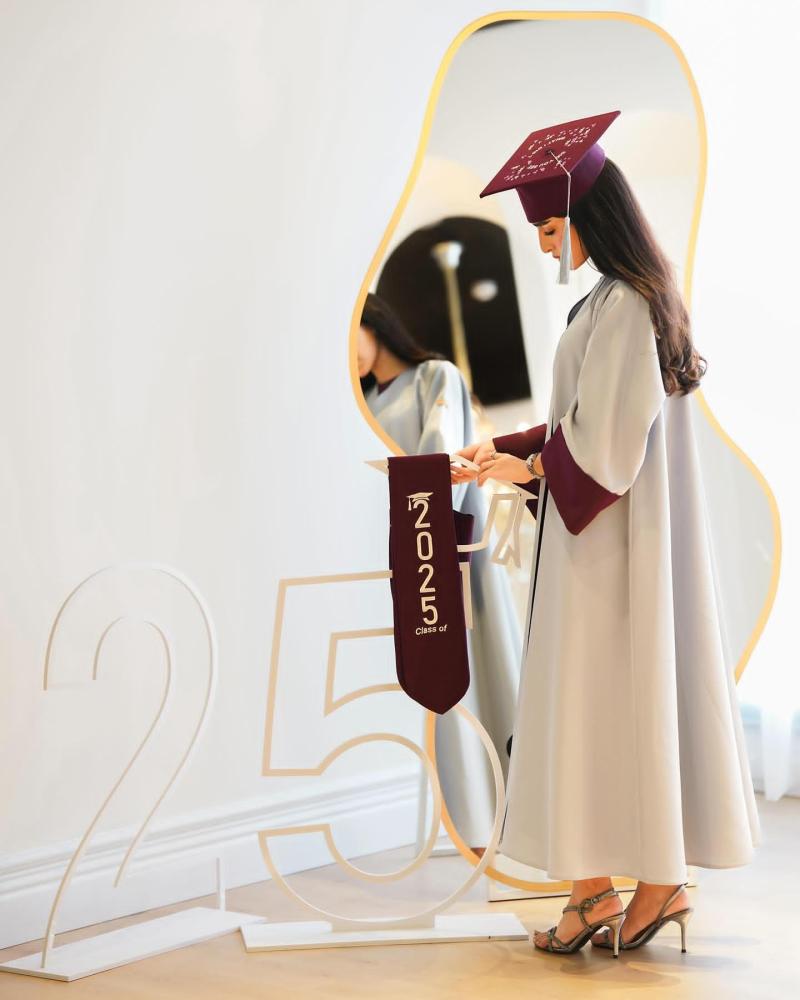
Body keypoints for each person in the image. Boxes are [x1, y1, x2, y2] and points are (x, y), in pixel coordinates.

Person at [453, 111, 761, 957]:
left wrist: (525, 466)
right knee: (593, 712)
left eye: (552, 229)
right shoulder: (618, 299)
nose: (548, 246)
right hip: (611, 547)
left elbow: (606, 450)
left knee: (590, 708)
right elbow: (583, 419)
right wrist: (510, 449)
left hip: (614, 554)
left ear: (587, 214)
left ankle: (640, 884)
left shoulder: (624, 305)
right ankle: (603, 888)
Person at [359, 292, 530, 854]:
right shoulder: (364, 401)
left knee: (476, 667)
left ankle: (509, 815)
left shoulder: (435, 376)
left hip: (449, 545)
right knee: (432, 678)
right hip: (403, 554)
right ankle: (464, 818)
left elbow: (442, 449)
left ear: (373, 322)